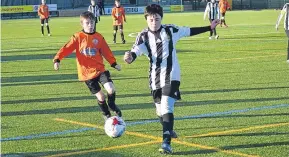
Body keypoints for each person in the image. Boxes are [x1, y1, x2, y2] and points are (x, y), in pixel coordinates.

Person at [123, 4, 219, 154]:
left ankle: (166, 142)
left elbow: (189, 31)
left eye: (157, 18)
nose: (154, 21)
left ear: (161, 18)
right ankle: (169, 129)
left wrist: (209, 27)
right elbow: (135, 52)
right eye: (151, 19)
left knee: (167, 105)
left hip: (172, 74)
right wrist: (129, 57)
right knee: (160, 111)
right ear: (146, 19)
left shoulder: (170, 30)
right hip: (155, 78)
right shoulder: (142, 36)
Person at [53, 11, 122, 121]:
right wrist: (57, 59)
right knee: (101, 97)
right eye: (87, 23)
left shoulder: (99, 37)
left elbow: (106, 51)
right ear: (82, 24)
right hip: (87, 75)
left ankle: (112, 104)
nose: (90, 25)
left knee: (111, 89)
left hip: (100, 70)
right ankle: (107, 115)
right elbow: (66, 48)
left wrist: (113, 63)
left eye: (92, 22)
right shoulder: (77, 37)